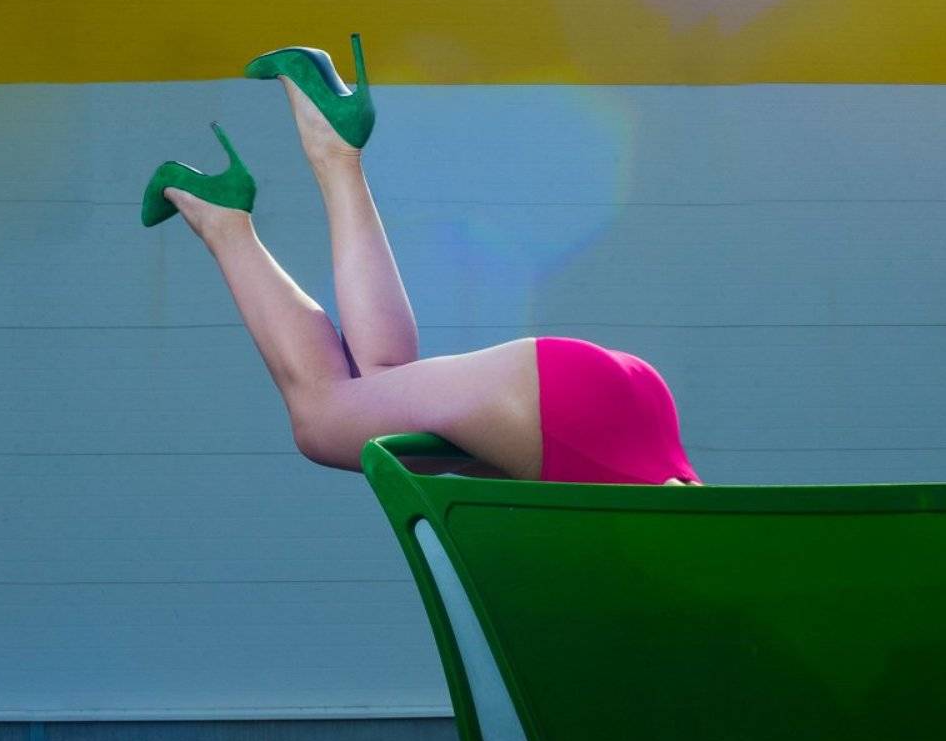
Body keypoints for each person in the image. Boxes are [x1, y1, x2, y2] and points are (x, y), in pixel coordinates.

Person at [140, 35, 703, 486]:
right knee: (319, 418)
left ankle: (319, 162)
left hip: (619, 408)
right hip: (572, 418)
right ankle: (238, 217)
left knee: (384, 387)